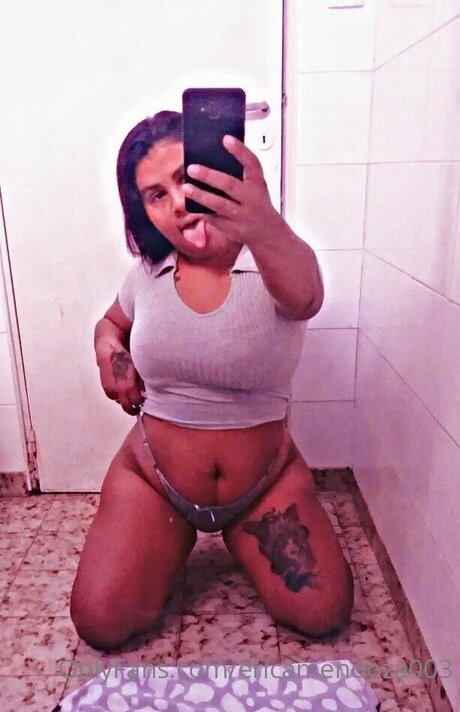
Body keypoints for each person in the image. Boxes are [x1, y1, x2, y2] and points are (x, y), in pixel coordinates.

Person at [70, 110, 354, 651]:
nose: (178, 202)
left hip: (263, 486)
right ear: (142, 211)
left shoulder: (271, 260)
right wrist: (109, 351)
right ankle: (165, 538)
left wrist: (262, 221)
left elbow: (307, 298)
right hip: (154, 479)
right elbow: (110, 323)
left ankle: (240, 536)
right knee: (100, 622)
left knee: (323, 613)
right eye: (155, 195)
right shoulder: (146, 275)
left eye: (186, 178)